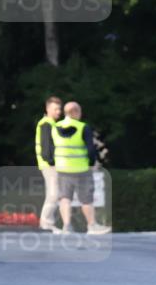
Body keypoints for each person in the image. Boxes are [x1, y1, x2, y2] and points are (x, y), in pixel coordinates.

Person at [40, 101, 111, 235]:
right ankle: (92, 225)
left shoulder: (55, 127)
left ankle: (67, 226)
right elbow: (90, 150)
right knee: (86, 199)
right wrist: (91, 163)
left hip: (62, 169)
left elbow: (48, 149)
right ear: (77, 112)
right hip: (81, 169)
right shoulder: (83, 127)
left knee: (65, 198)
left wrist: (53, 162)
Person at [35, 96, 63, 231]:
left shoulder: (50, 123)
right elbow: (46, 147)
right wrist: (52, 162)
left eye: (59, 109)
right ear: (47, 109)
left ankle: (47, 224)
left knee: (54, 194)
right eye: (55, 109)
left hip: (49, 164)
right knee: (53, 194)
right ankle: (46, 224)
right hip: (50, 165)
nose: (59, 111)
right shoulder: (46, 123)